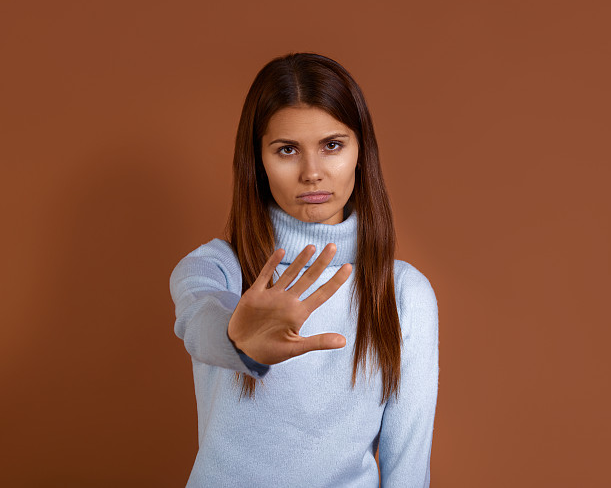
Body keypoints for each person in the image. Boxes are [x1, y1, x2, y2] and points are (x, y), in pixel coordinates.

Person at [168, 52, 440, 487]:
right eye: (287, 150)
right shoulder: (216, 266)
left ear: (360, 152)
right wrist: (238, 338)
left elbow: (408, 465)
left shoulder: (404, 292)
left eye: (332, 145)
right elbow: (199, 318)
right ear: (258, 161)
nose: (312, 173)